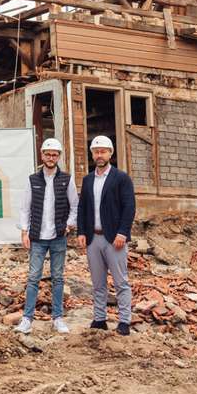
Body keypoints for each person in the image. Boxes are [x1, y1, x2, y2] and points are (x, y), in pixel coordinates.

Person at [15, 138, 78, 335]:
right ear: (42, 155)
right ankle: (27, 319)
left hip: (58, 236)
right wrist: (24, 231)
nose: (51, 158)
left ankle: (58, 318)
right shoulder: (32, 180)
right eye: (48, 154)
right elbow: (25, 208)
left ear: (58, 157)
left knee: (58, 278)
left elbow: (75, 205)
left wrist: (69, 225)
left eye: (54, 155)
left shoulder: (66, 179)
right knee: (33, 278)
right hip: (37, 237)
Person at [76, 135, 135, 335]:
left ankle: (124, 321)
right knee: (98, 283)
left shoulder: (121, 178)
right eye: (96, 151)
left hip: (114, 239)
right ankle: (99, 319)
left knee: (121, 282)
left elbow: (129, 207)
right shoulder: (88, 179)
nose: (99, 155)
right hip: (93, 238)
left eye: (103, 151)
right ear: (92, 154)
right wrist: (81, 232)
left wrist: (123, 233)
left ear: (110, 153)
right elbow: (83, 208)